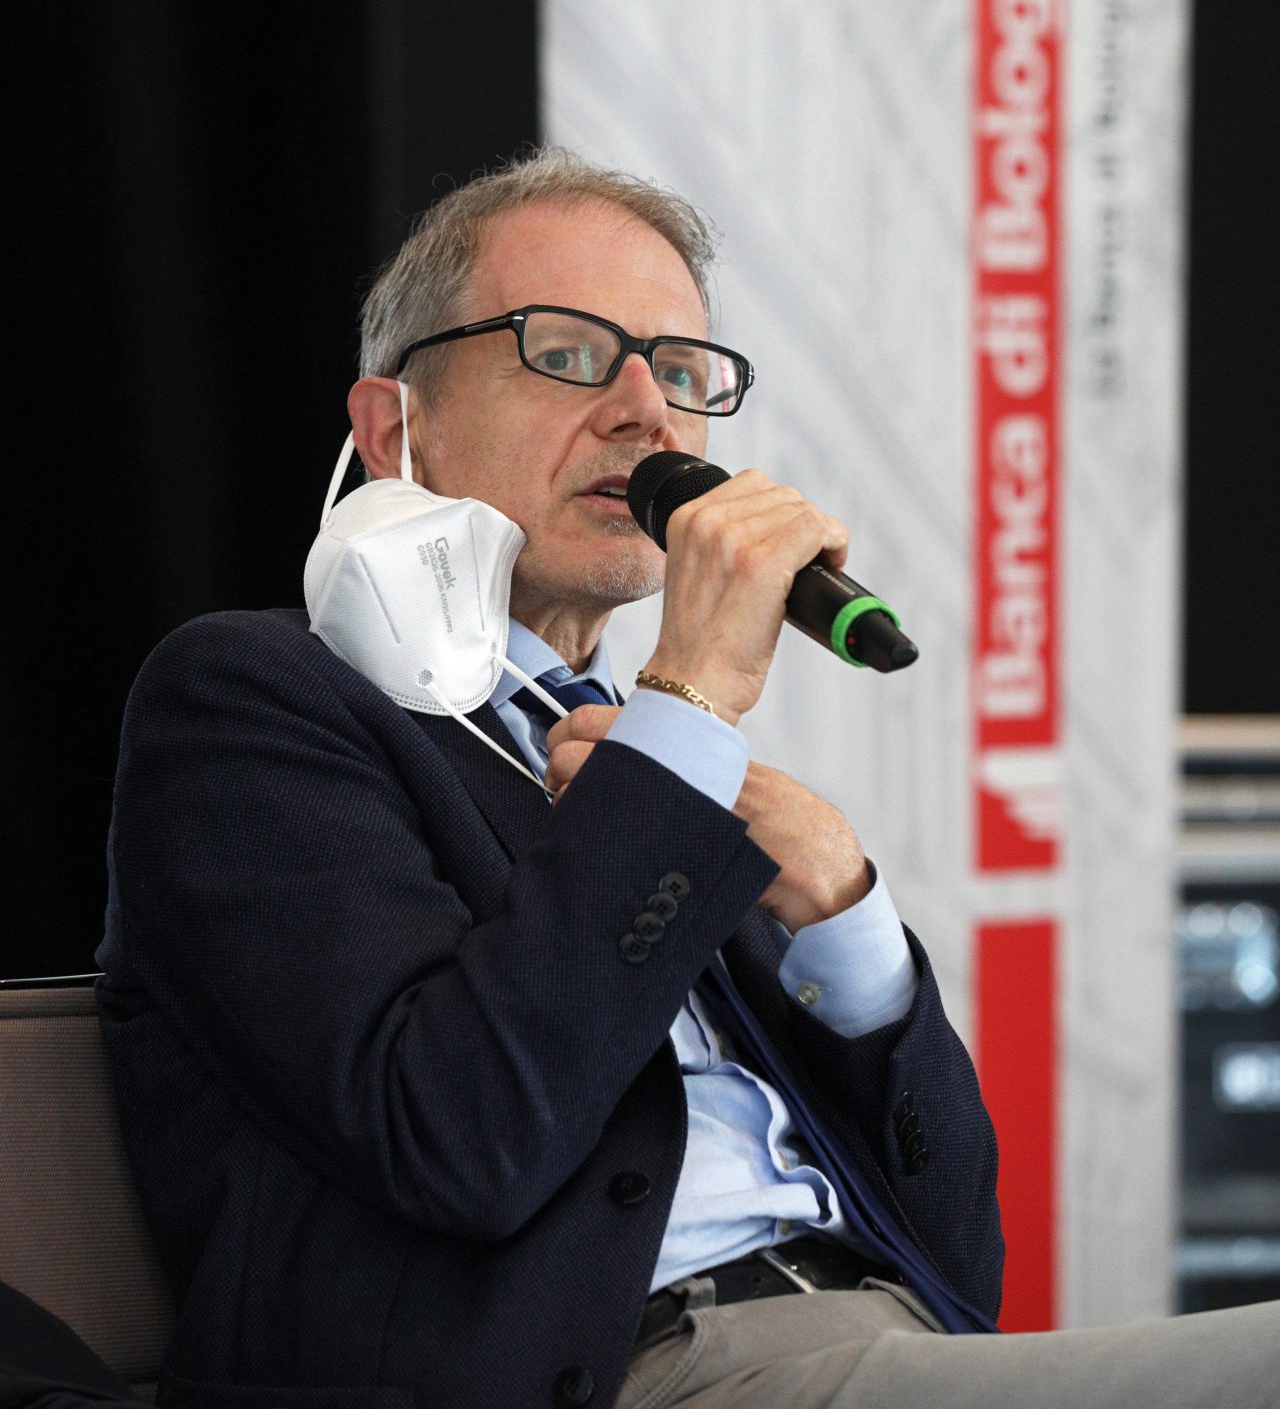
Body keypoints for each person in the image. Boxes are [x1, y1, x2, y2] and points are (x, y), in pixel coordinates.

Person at [98, 152, 1278, 1409]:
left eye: (675, 372)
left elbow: (959, 1264)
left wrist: (853, 927)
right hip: (616, 1374)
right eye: (562, 352)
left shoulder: (650, 757)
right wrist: (693, 697)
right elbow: (459, 1137)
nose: (643, 414)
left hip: (874, 1347)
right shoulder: (255, 700)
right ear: (396, 426)